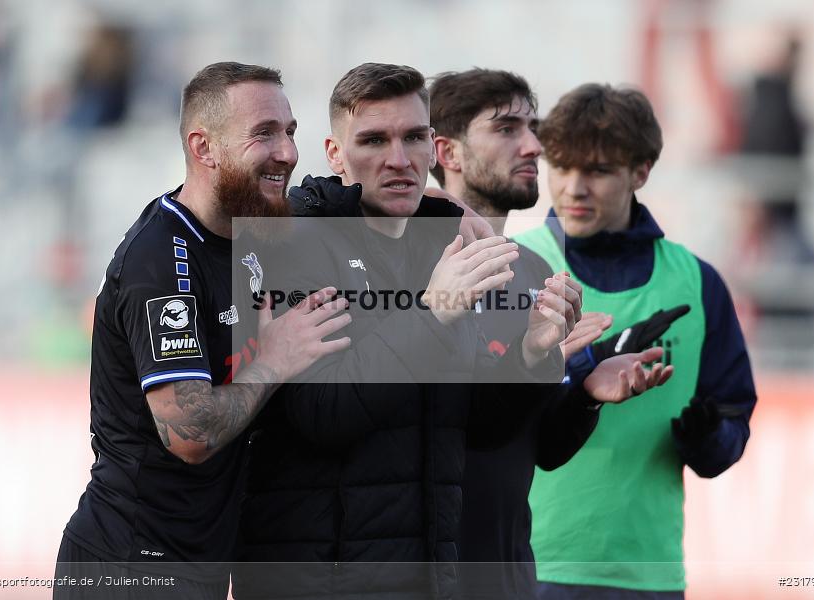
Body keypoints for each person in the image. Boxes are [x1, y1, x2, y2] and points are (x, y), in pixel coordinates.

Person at [232, 63, 670, 600]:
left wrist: (533, 357)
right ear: (334, 153)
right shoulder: (292, 242)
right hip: (321, 578)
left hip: (436, 573)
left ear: (432, 147)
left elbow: (475, 431)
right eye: (374, 140)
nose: (399, 158)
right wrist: (433, 311)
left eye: (413, 137)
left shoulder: (446, 252)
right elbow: (320, 413)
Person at [54, 62, 350, 600]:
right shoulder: (161, 263)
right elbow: (189, 436)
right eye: (264, 134)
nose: (286, 151)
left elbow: (321, 197)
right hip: (132, 566)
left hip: (197, 562)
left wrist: (443, 204)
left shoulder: (252, 223)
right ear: (204, 147)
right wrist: (275, 361)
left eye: (290, 132)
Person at [429, 68, 677, 600]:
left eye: (533, 128)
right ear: (447, 154)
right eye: (507, 128)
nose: (534, 146)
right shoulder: (410, 264)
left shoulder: (534, 270)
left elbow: (538, 447)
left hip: (511, 572)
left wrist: (587, 397)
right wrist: (527, 357)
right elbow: (457, 424)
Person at [515, 83, 757, 600]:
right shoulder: (515, 265)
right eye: (562, 166)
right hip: (526, 565)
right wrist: (581, 375)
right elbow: (483, 423)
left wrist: (706, 437)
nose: (574, 187)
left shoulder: (697, 283)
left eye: (598, 171)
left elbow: (730, 430)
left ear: (640, 172)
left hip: (647, 575)